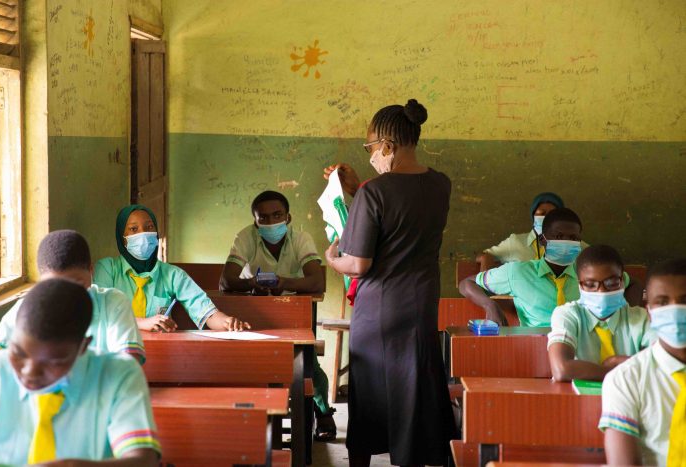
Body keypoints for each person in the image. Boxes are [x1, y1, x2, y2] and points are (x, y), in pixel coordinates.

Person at [325, 99, 455, 466]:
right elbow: (401, 216)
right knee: (411, 391)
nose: (370, 156)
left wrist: (333, 260)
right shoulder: (440, 185)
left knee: (369, 395)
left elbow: (359, 263)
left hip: (379, 310)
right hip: (421, 305)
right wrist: (359, 189)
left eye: (370, 148)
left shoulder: (374, 193)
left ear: (387, 145)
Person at [0, 279, 160, 465]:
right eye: (18, 352)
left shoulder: (118, 374)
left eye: (54, 361)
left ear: (83, 346)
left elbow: (144, 460)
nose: (30, 372)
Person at [220, 190, 336, 441]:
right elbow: (225, 281)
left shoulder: (300, 238)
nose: (271, 222)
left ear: (289, 217)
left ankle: (323, 411)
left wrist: (283, 281)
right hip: (255, 314)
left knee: (309, 367)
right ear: (255, 222)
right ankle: (254, 414)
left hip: (294, 314)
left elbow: (316, 282)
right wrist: (252, 284)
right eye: (263, 218)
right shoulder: (246, 237)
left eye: (277, 215)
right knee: (246, 366)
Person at [459, 208, 642, 327]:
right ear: (542, 240)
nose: (566, 242)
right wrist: (490, 306)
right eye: (559, 236)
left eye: (573, 238)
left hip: (583, 344)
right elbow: (466, 284)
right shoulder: (518, 272)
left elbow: (633, 284)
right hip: (536, 345)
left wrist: (622, 313)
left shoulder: (590, 273)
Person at [0, 230, 145, 364]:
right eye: (54, 286)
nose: (65, 296)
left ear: (91, 271)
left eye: (77, 284)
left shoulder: (112, 303)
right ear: (41, 281)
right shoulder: (27, 307)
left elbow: (129, 363)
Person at [93, 205, 249, 332]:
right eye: (134, 229)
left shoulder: (172, 274)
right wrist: (141, 323)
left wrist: (227, 322)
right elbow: (100, 312)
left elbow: (205, 310)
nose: (144, 235)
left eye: (149, 227)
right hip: (114, 351)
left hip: (157, 351)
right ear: (122, 237)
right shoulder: (107, 269)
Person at [600, 258, 686, 466]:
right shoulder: (625, 379)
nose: (675, 311)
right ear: (649, 311)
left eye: (684, 300)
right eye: (663, 302)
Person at [547, 245, 653, 382]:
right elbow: (562, 370)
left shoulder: (641, 318)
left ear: (622, 282)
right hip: (576, 400)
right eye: (591, 285)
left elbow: (662, 366)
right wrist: (621, 369)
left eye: (611, 283)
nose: (601, 292)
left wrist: (616, 362)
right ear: (580, 286)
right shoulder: (568, 315)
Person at [477, 192, 566, 271]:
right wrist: (485, 258)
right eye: (542, 213)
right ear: (533, 216)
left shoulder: (570, 246)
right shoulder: (516, 242)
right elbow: (485, 254)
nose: (547, 218)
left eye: (552, 214)